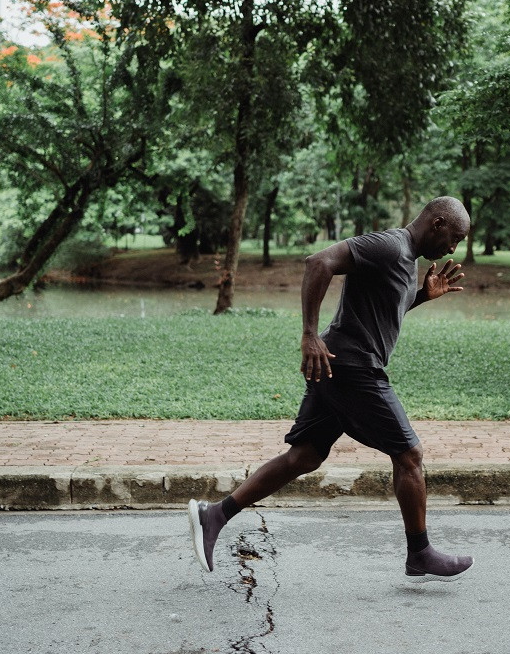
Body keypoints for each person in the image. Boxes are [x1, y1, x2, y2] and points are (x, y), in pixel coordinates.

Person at [188, 196, 475, 583]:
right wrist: (308, 334)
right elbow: (318, 262)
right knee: (409, 455)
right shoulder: (390, 245)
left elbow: (380, 310)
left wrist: (422, 295)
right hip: (353, 368)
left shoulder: (406, 260)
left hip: (340, 366)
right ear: (437, 222)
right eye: (454, 238)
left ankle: (215, 514)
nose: (453, 248)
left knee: (304, 457)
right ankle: (419, 553)